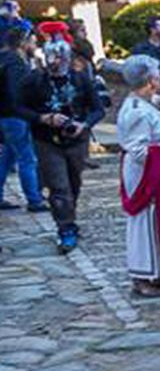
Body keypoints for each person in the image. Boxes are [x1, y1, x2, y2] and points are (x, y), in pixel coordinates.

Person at [21, 38, 105, 251]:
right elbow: (18, 107)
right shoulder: (34, 81)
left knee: (73, 184)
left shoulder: (80, 80)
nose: (55, 62)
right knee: (59, 187)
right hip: (47, 140)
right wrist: (43, 118)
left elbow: (98, 109)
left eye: (60, 57)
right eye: (52, 57)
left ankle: (69, 219)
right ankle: (65, 228)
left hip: (76, 140)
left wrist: (84, 124)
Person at [116, 56, 160, 296]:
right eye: (156, 76)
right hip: (147, 176)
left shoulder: (148, 105)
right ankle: (141, 274)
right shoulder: (137, 111)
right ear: (150, 81)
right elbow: (138, 150)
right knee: (146, 222)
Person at [0, 25, 46, 212]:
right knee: (27, 158)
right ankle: (34, 200)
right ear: (23, 42)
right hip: (15, 116)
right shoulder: (16, 63)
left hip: (6, 115)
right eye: (32, 40)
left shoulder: (5, 59)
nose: (34, 43)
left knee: (7, 158)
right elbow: (17, 90)